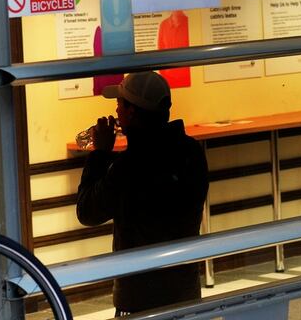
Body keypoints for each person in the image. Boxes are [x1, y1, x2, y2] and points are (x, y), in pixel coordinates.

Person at [76, 71, 209, 315]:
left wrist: (101, 153)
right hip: (185, 289)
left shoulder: (130, 166)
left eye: (119, 104)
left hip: (139, 297)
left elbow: (87, 212)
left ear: (131, 112)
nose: (116, 111)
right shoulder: (192, 152)